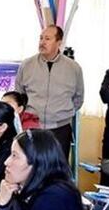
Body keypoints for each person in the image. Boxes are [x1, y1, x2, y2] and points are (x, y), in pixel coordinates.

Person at [15, 25, 84, 158]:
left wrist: (61, 113)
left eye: (47, 38)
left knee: (56, 171)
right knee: (30, 168)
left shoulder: (73, 68)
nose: (42, 42)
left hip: (60, 129)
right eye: (41, 38)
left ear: (59, 42)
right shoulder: (27, 65)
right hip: (31, 126)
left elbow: (78, 98)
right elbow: (19, 95)